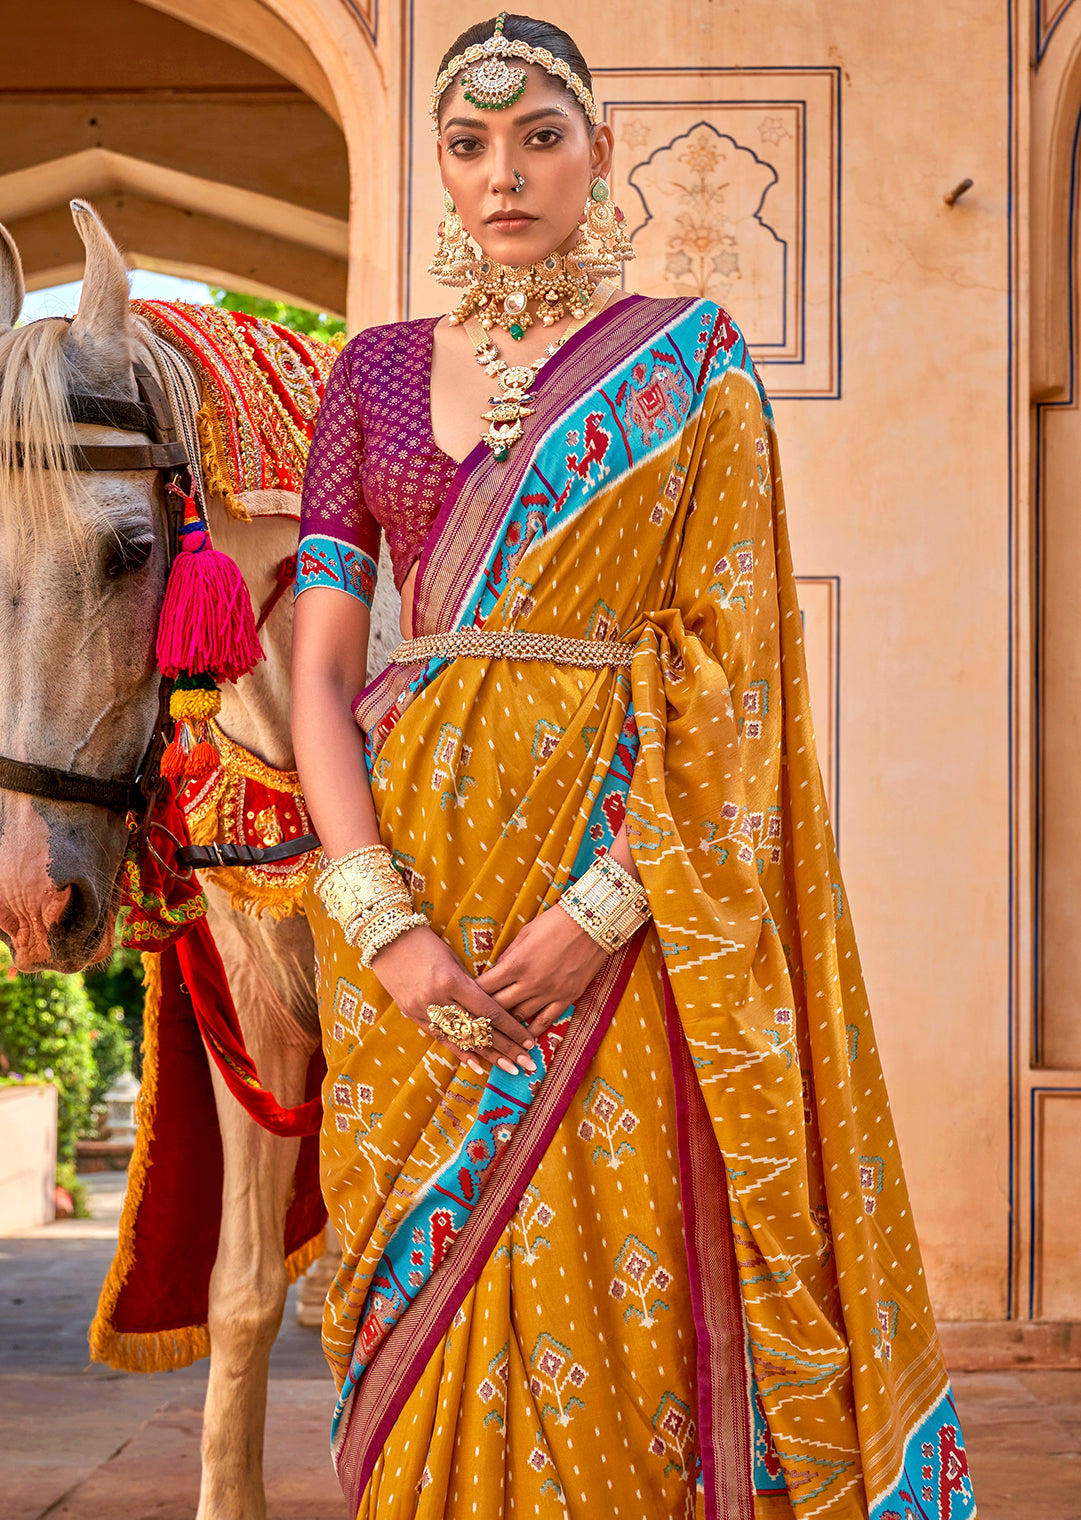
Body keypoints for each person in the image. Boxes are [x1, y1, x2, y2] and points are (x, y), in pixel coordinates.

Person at [291, 14, 978, 1519]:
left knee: (621, 1283)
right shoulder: (375, 377)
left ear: (599, 155)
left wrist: (603, 906)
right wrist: (379, 922)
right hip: (407, 913)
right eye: (469, 146)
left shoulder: (689, 363)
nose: (504, 174)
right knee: (416, 1305)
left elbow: (731, 680)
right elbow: (324, 674)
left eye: (540, 136)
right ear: (440, 173)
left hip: (628, 901)